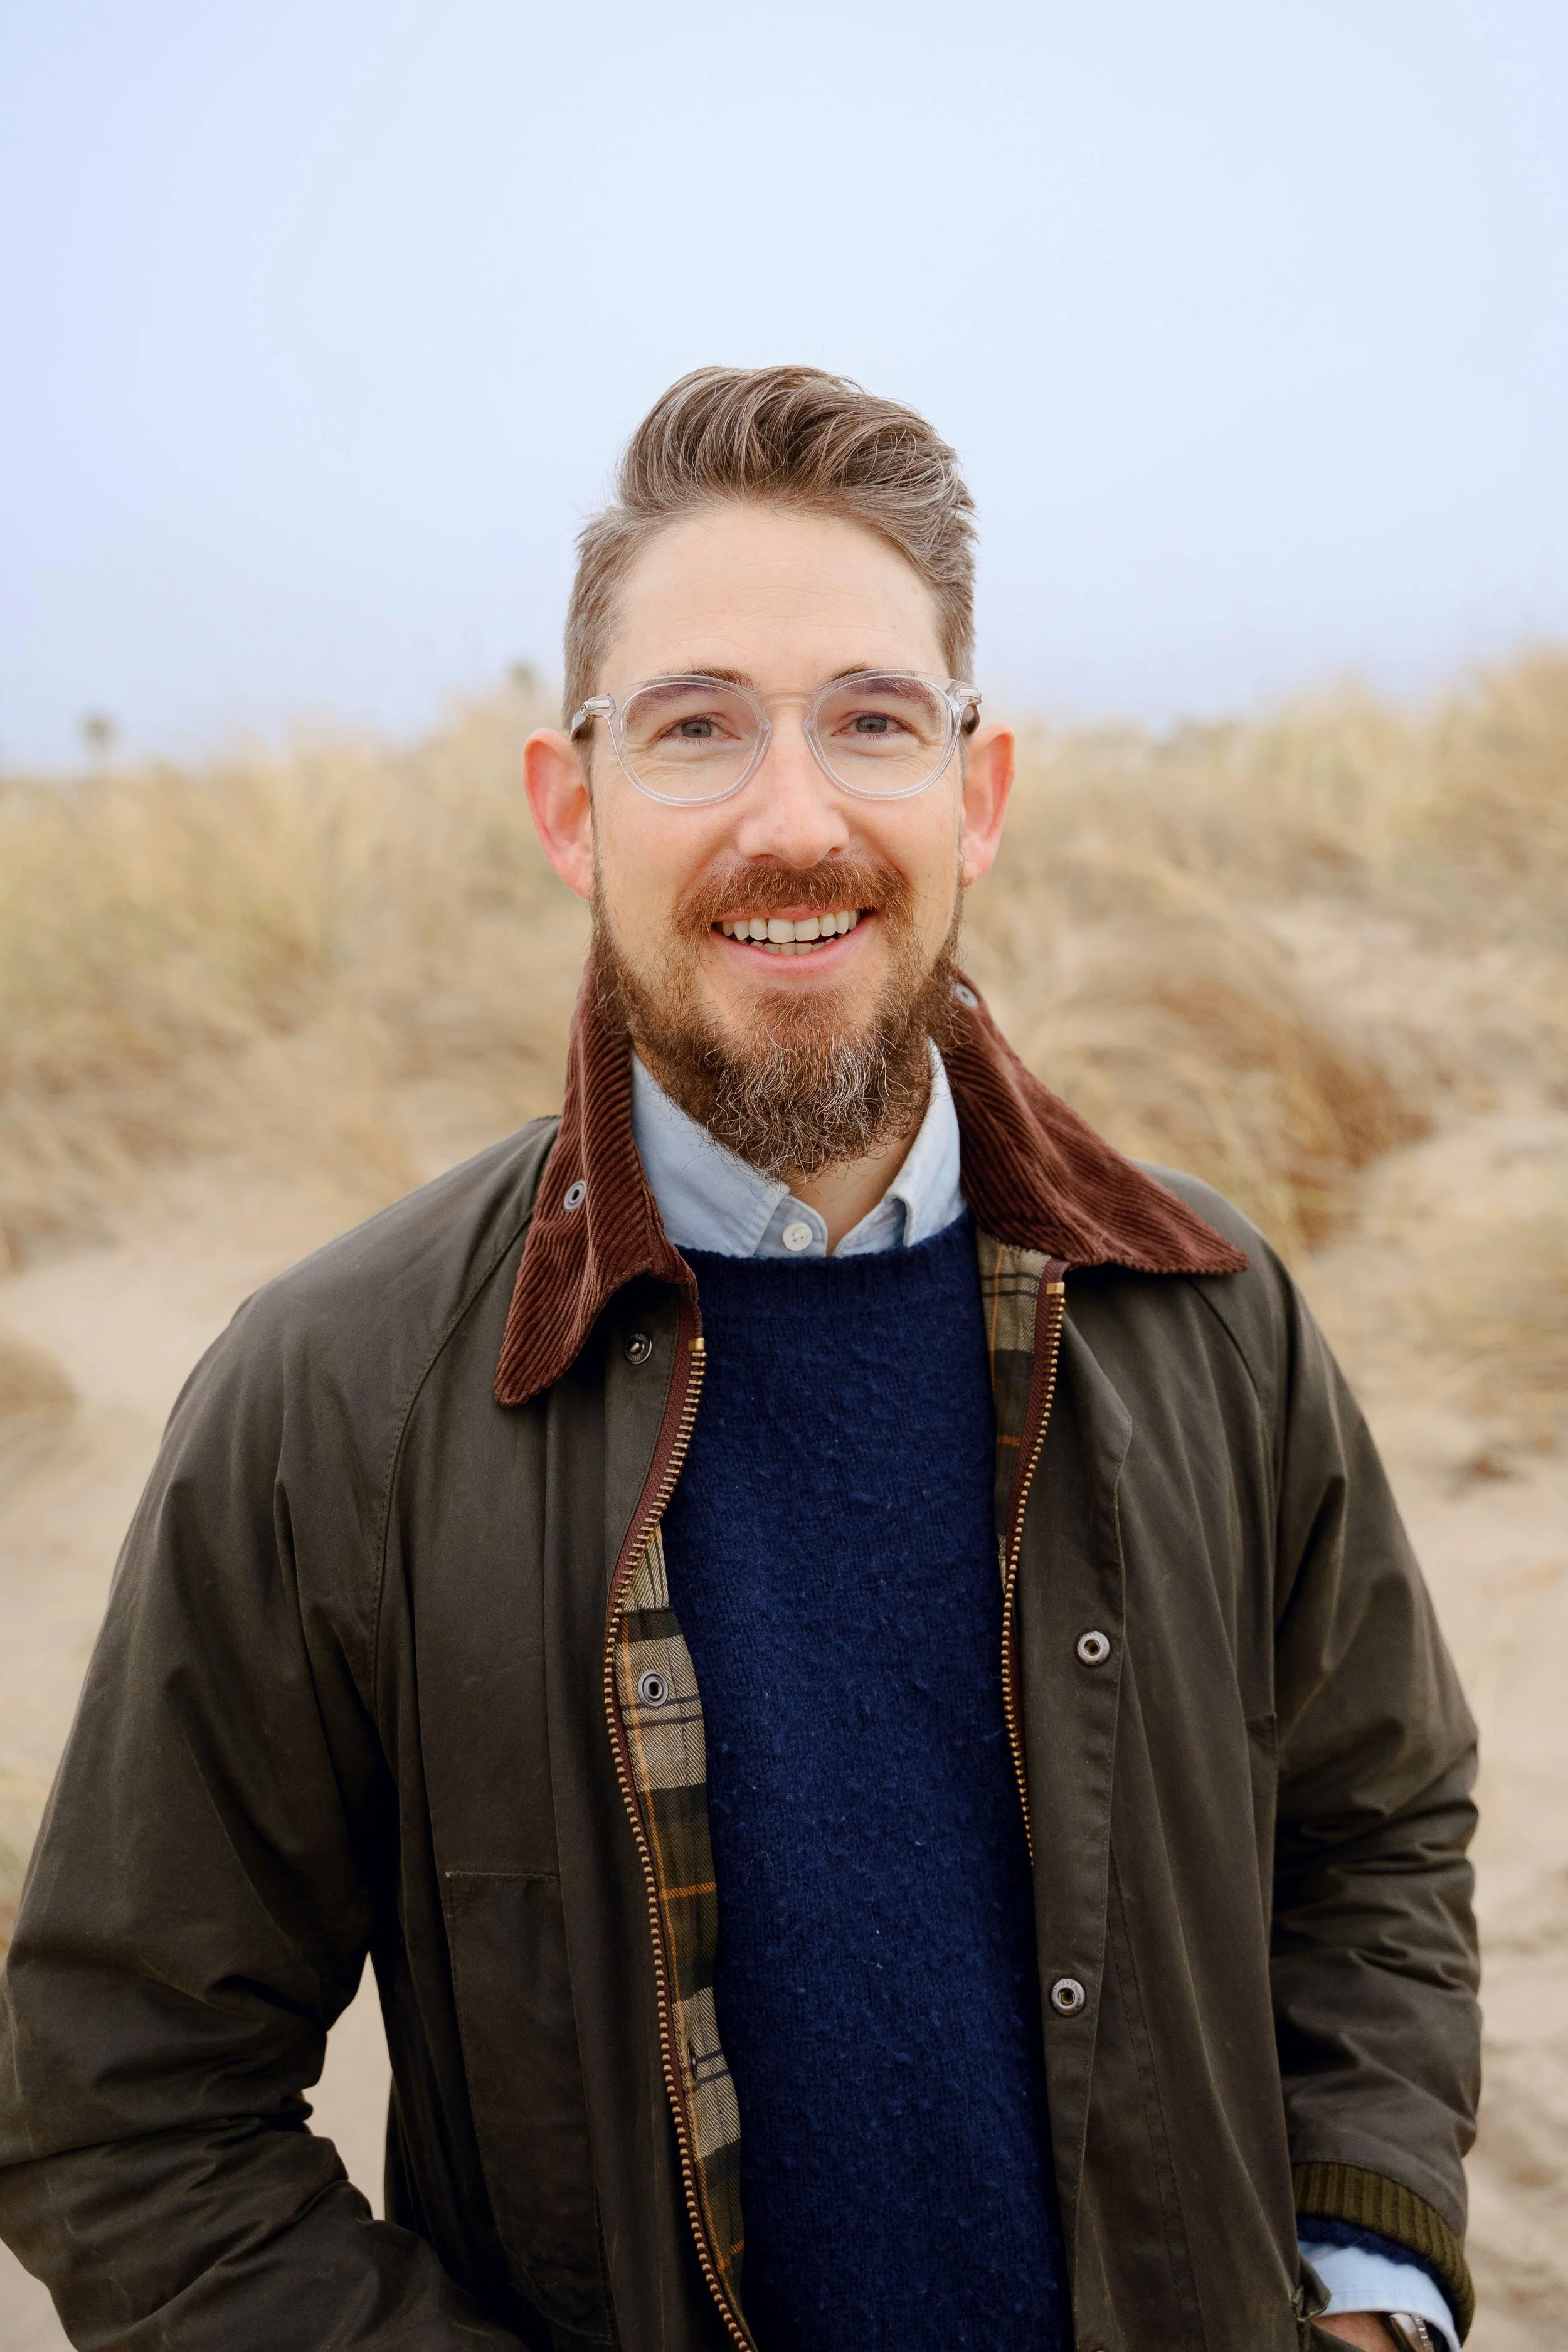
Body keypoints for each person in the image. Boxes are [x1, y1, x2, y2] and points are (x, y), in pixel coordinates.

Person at [0, 367, 1478, 2352]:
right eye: (696, 728)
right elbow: (122, 2100)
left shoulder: (1204, 1306)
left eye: (872, 719)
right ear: (568, 801)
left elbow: (1377, 1830)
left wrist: (1366, 2284)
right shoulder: (328, 1397)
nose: (796, 818)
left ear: (977, 788)